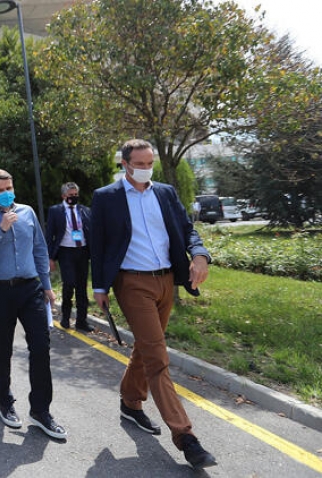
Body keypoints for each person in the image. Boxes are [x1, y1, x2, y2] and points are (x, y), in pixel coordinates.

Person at [91, 139, 216, 470]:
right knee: (158, 357)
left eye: (150, 163)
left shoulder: (165, 192)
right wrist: (99, 286)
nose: (147, 168)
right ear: (125, 164)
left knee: (146, 349)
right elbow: (99, 244)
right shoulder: (106, 198)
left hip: (166, 282)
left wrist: (200, 255)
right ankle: (186, 437)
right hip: (131, 283)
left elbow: (187, 230)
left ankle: (130, 403)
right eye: (141, 163)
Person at [0, 169, 67, 439]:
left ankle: (41, 410)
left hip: (30, 288)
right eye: (0, 190)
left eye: (9, 187)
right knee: (3, 349)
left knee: (41, 347)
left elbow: (39, 248)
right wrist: (1, 229)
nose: (6, 193)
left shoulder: (27, 212)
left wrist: (46, 286)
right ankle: (6, 403)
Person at [45, 182, 94, 332]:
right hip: (66, 252)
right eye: (70, 195)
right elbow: (50, 235)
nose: (73, 197)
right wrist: (50, 258)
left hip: (83, 251)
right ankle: (65, 317)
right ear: (63, 196)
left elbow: (91, 230)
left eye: (75, 195)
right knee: (69, 284)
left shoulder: (84, 210)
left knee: (81, 287)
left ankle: (81, 320)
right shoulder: (56, 211)